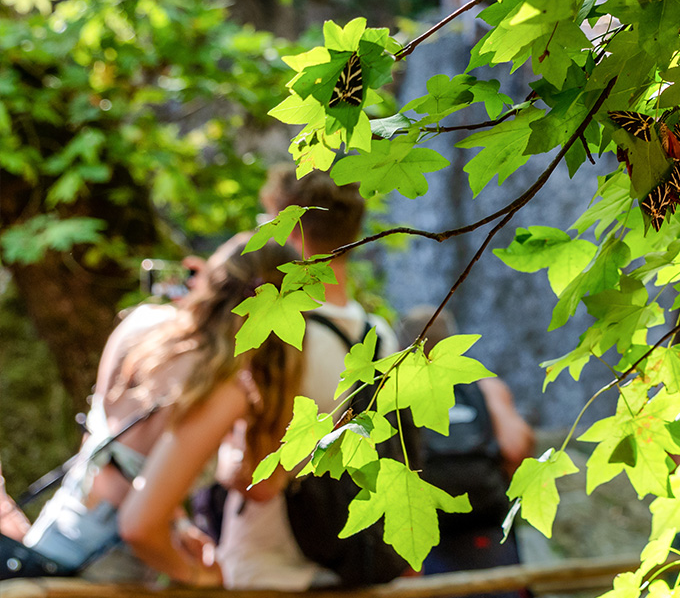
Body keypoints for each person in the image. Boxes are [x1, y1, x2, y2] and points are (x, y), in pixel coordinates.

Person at [21, 234, 300, 585]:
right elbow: (137, 527)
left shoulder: (140, 325)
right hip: (105, 575)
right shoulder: (221, 387)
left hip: (51, 545)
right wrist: (200, 577)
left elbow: (111, 458)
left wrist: (177, 523)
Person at [213, 166, 401, 589]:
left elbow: (252, 473)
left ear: (289, 233)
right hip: (349, 557)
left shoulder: (278, 337)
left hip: (267, 564)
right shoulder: (382, 337)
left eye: (267, 226)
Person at [398, 307, 533, 593]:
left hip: (423, 537)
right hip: (486, 531)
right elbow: (515, 448)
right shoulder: (483, 386)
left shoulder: (395, 395)